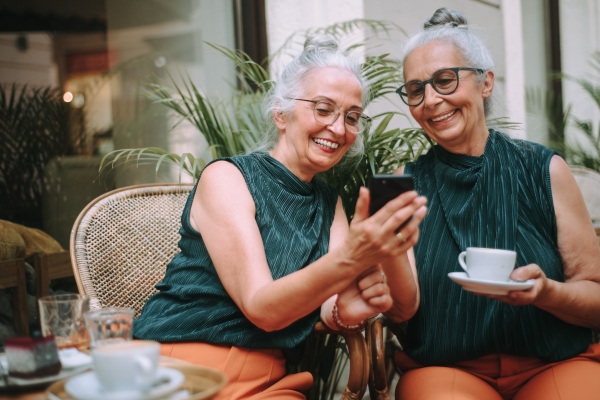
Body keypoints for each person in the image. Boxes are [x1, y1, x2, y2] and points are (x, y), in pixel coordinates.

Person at [133, 34, 427, 400]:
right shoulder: (227, 177)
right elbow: (262, 308)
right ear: (280, 113)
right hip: (178, 367)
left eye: (352, 117)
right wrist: (352, 256)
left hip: (266, 382)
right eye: (323, 109)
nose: (338, 129)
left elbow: (329, 304)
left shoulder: (328, 203)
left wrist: (345, 313)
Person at [384, 7, 600, 400]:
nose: (431, 100)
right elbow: (400, 313)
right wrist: (383, 255)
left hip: (554, 362)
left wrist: (547, 292)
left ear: (485, 83)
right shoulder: (407, 184)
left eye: (445, 81)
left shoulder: (543, 169)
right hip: (447, 371)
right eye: (416, 90)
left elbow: (596, 298)